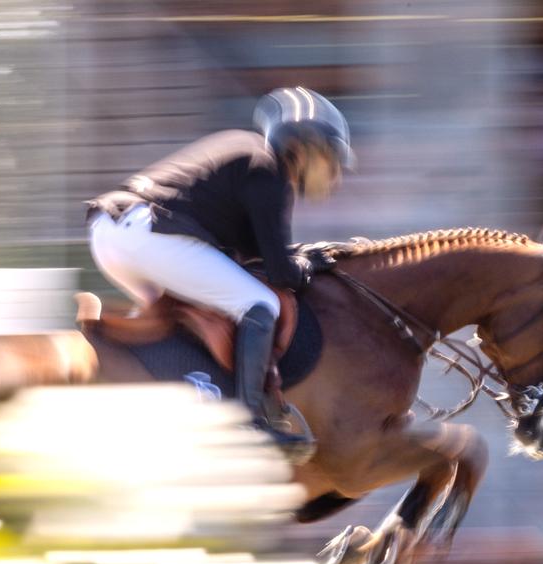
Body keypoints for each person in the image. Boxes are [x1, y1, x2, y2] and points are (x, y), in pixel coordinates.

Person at [85, 87, 355, 453]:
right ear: (304, 147)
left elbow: (254, 255)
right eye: (329, 157)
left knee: (187, 315)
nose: (333, 170)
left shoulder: (245, 150)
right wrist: (307, 264)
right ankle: (250, 421)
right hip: (148, 237)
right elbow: (278, 273)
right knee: (261, 304)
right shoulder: (268, 171)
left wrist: (295, 258)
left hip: (111, 234)